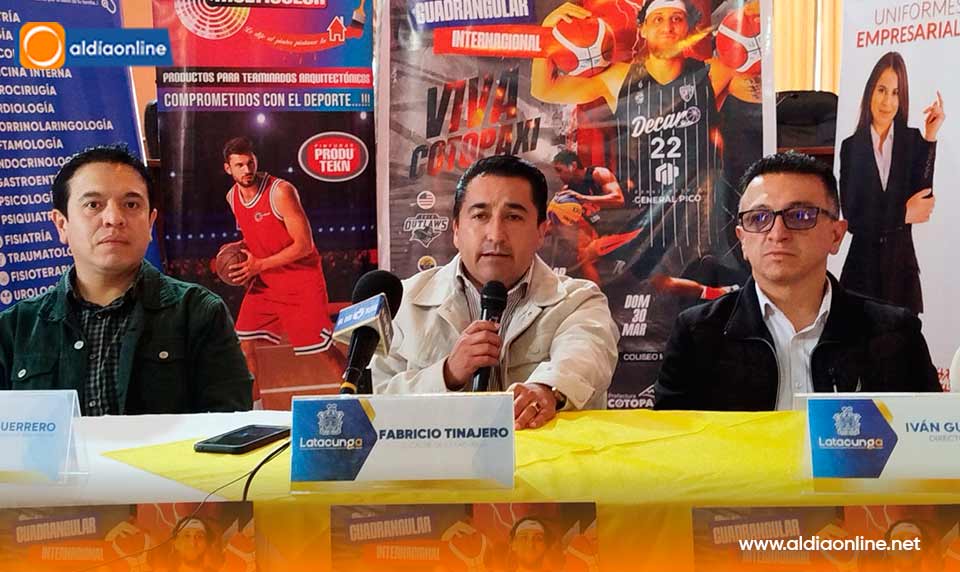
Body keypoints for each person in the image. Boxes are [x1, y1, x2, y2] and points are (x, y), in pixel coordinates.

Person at [654, 152, 941, 411]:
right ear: (742, 240)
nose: (777, 233)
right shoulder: (698, 335)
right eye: (759, 218)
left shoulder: (895, 334)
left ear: (836, 235)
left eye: (800, 216)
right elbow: (674, 445)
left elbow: (929, 441)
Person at [0, 145, 252, 415]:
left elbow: (230, 427)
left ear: (150, 222)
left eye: (131, 205)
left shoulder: (199, 313)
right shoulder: (15, 328)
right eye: (93, 205)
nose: (114, 219)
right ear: (62, 224)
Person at [371, 155, 619, 429]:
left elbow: (585, 354)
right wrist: (448, 373)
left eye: (513, 217)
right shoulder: (403, 302)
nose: (496, 235)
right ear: (456, 230)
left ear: (541, 231)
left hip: (542, 456)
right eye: (480, 215)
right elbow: (375, 403)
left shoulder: (579, 301)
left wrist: (545, 390)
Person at [222, 136, 345, 405]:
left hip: (300, 281)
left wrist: (259, 265)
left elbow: (304, 245)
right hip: (266, 283)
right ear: (228, 168)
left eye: (250, 162)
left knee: (323, 350)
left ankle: (359, 396)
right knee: (243, 343)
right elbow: (255, 236)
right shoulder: (232, 197)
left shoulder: (280, 192)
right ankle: (254, 410)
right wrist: (239, 251)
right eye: (240, 165)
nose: (247, 169)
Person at [838, 51, 946, 316]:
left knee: (903, 341)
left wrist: (930, 137)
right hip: (861, 275)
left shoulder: (912, 140)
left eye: (896, 93)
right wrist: (901, 214)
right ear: (870, 92)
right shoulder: (851, 147)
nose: (887, 101)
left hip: (901, 274)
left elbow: (922, 204)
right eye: (882, 90)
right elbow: (853, 217)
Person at [548, 149, 639, 284]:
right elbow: (556, 222)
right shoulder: (568, 191)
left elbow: (618, 199)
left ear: (573, 166)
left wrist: (584, 198)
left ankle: (600, 292)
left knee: (585, 255)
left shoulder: (599, 174)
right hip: (602, 230)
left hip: (627, 226)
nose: (558, 175)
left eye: (559, 170)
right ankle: (600, 290)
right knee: (582, 251)